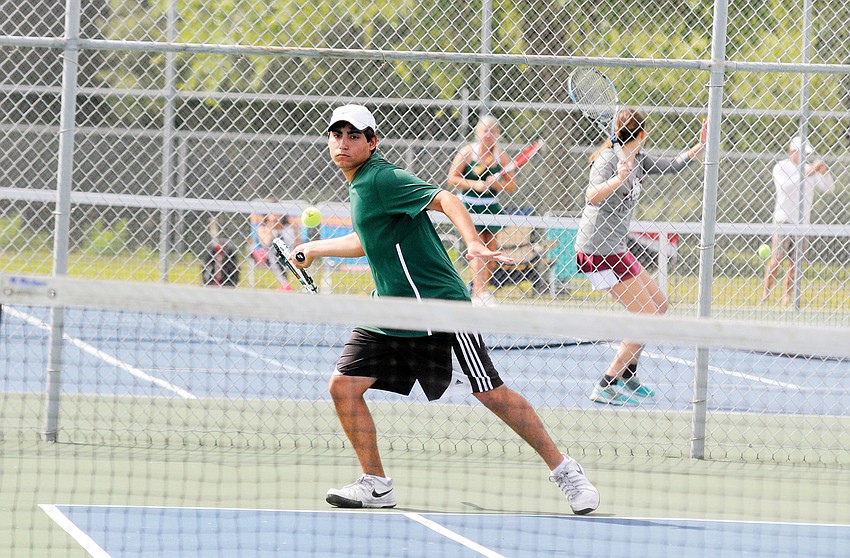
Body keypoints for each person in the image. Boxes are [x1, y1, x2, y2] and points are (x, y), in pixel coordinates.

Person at [290, 104, 599, 515]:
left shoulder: (383, 177)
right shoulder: (361, 184)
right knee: (343, 387)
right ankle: (376, 484)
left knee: (492, 393)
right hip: (389, 311)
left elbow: (447, 198)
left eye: (353, 135)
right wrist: (314, 248)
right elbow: (368, 240)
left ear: (372, 142)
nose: (343, 142)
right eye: (337, 135)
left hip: (439, 308)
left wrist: (471, 241)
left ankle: (565, 469)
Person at [575, 108, 706, 406]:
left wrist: (699, 147)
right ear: (643, 133)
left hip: (617, 249)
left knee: (659, 305)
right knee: (645, 315)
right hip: (596, 251)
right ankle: (606, 383)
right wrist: (618, 180)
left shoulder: (639, 160)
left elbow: (673, 165)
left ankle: (628, 374)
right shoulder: (609, 159)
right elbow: (591, 195)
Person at [447, 116, 518, 306]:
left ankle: (483, 289)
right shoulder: (467, 152)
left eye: (492, 131)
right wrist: (475, 185)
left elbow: (511, 184)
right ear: (477, 132)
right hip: (470, 205)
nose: (488, 134)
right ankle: (478, 292)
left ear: (498, 134)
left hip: (491, 206)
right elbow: (452, 178)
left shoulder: (500, 156)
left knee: (491, 249)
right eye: (485, 130)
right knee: (477, 246)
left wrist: (498, 184)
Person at [761, 136, 834, 305]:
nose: (802, 157)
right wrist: (807, 173)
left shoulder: (809, 170)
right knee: (777, 258)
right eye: (799, 153)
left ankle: (788, 296)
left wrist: (824, 172)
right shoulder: (781, 167)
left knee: (795, 263)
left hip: (802, 223)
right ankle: (766, 292)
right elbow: (786, 187)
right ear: (791, 152)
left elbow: (829, 188)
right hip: (784, 220)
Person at [251, 207, 301, 291]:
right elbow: (265, 244)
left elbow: (298, 243)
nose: (276, 216)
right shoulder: (262, 229)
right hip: (269, 255)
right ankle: (284, 282)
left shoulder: (289, 228)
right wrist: (272, 226)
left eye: (278, 214)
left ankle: (285, 283)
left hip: (288, 253)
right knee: (273, 254)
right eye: (273, 214)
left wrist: (295, 230)